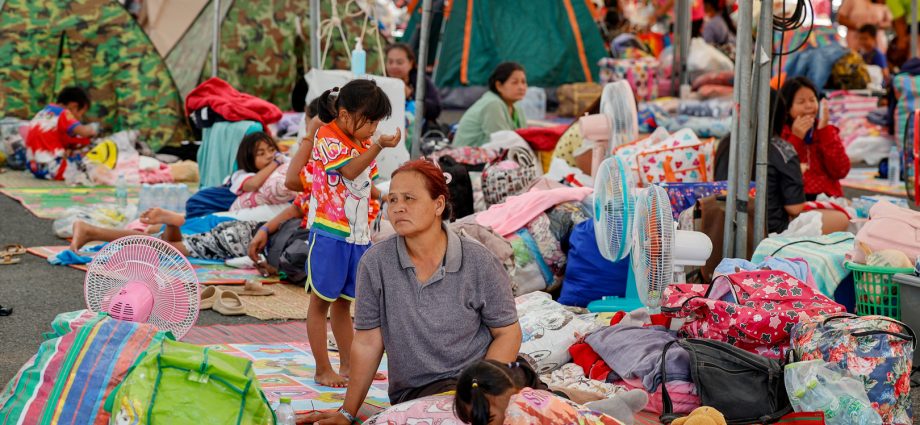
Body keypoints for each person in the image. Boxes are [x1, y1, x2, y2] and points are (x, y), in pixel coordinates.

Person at [305, 160, 522, 425]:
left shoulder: (478, 260)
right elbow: (367, 342)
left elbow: (507, 331)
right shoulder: (375, 263)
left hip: (485, 380)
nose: (398, 207)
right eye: (393, 199)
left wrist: (483, 389)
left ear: (438, 205)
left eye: (409, 198)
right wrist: (347, 413)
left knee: (546, 412)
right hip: (421, 389)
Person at [305, 80, 400, 388]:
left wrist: (384, 196)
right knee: (321, 302)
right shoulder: (327, 136)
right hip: (330, 231)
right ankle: (323, 367)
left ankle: (347, 364)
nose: (373, 127)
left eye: (376, 122)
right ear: (344, 115)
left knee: (344, 302)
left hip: (356, 234)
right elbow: (348, 171)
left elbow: (360, 181)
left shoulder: (359, 141)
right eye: (369, 120)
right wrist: (378, 146)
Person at [453, 360, 644, 425]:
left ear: (494, 401)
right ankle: (621, 405)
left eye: (489, 420)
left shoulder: (516, 416)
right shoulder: (529, 393)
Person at [779, 77, 851, 199]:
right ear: (787, 108)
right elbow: (781, 171)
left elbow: (841, 171)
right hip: (794, 200)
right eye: (801, 102)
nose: (809, 106)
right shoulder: (782, 132)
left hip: (827, 197)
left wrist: (825, 132)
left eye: (812, 100)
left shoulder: (826, 130)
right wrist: (796, 138)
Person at [25, 86, 99, 180]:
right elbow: (84, 132)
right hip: (55, 169)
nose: (80, 118)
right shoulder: (64, 113)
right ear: (74, 106)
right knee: (93, 158)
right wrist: (93, 128)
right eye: (82, 113)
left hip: (36, 168)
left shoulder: (44, 112)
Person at [452, 62, 528, 147]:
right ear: (499, 86)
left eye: (523, 82)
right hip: (467, 157)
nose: (521, 87)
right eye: (515, 82)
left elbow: (525, 137)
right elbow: (503, 143)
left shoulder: (516, 107)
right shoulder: (492, 104)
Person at [226, 132, 296, 211]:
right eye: (261, 153)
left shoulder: (280, 163)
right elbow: (252, 185)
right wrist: (275, 163)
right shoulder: (241, 175)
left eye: (272, 150)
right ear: (248, 159)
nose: (269, 156)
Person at [385, 43, 442, 127]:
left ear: (411, 63)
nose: (394, 66)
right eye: (390, 62)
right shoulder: (381, 81)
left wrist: (410, 95)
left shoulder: (421, 81)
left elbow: (435, 110)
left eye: (399, 62)